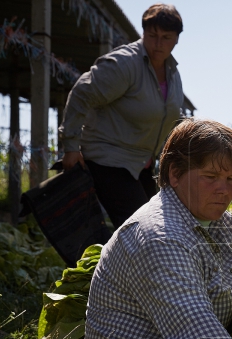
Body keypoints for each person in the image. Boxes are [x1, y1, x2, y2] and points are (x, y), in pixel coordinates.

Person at [84, 118, 232, 339]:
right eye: (211, 176)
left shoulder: (220, 223)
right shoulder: (160, 237)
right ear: (175, 174)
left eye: (231, 179)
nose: (224, 190)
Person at [58, 4, 184, 229]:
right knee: (141, 229)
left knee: (156, 224)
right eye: (152, 35)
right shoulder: (125, 64)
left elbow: (169, 115)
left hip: (141, 163)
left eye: (166, 37)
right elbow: (81, 93)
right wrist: (70, 147)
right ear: (143, 33)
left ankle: (116, 261)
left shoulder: (173, 73)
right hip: (109, 158)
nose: (158, 43)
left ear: (176, 40)